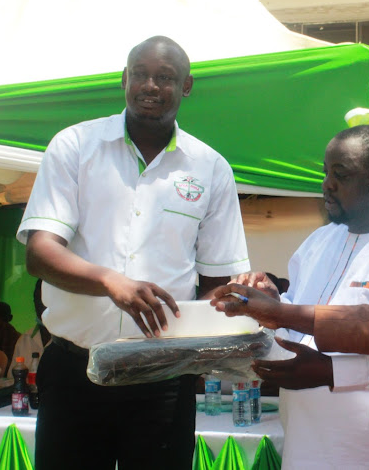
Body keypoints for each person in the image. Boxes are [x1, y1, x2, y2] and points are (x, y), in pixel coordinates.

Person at [17, 36, 250, 470]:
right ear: (124, 80)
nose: (150, 86)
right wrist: (111, 282)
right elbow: (40, 253)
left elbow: (220, 280)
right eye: (140, 74)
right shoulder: (75, 146)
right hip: (75, 371)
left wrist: (200, 346)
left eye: (165, 77)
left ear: (186, 86)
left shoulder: (210, 167)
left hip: (162, 379)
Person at [213, 125, 369, 469]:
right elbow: (296, 329)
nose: (327, 184)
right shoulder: (318, 242)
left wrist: (333, 372)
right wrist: (271, 304)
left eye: (341, 175)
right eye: (326, 173)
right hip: (307, 452)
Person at [7, 279, 51, 376]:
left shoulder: (68, 341)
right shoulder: (24, 340)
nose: (40, 304)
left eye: (44, 299)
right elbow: (12, 380)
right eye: (37, 299)